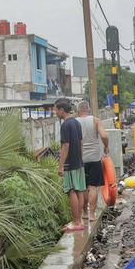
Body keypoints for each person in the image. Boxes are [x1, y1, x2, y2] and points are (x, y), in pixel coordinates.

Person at [53, 98, 86, 232]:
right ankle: (79, 220)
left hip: (69, 164)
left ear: (61, 110)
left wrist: (61, 165)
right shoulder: (76, 123)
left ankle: (77, 222)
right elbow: (81, 142)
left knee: (71, 191)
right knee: (79, 190)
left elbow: (65, 145)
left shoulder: (65, 125)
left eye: (55, 109)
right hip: (78, 161)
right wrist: (80, 158)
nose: (55, 112)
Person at [76, 101, 111, 224]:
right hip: (95, 158)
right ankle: (92, 214)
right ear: (88, 109)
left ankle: (85, 213)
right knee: (93, 187)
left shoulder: (75, 122)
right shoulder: (95, 120)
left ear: (78, 110)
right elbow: (104, 136)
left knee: (83, 187)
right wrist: (106, 146)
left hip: (80, 159)